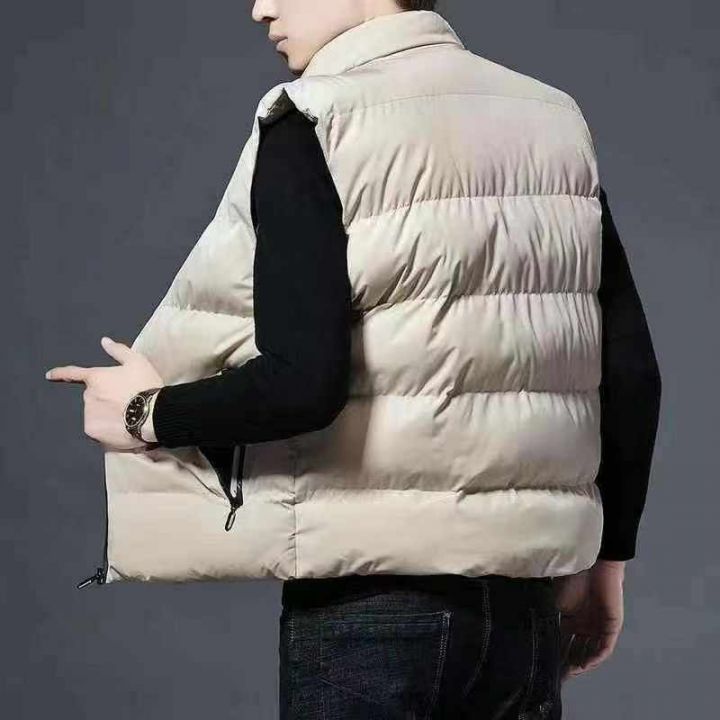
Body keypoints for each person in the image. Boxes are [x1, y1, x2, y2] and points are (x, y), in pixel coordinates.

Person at [46, 1, 661, 717]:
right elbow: (629, 374)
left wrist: (144, 414)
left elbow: (302, 385)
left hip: (370, 609)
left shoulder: (315, 117)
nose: (260, 7)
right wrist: (608, 564)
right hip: (526, 610)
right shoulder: (553, 119)